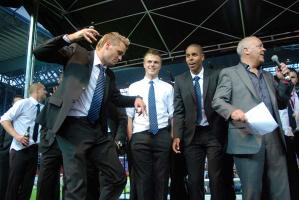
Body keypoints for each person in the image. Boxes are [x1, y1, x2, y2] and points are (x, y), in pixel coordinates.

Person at [33, 28, 146, 200]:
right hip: (70, 127)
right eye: (119, 52)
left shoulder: (108, 75)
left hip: (96, 131)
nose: (121, 57)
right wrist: (70, 37)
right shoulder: (77, 53)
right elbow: (40, 52)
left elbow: (115, 98)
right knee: (76, 188)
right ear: (107, 45)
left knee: (118, 178)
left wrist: (135, 99)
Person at [212, 36, 292, 200]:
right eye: (260, 46)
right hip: (247, 139)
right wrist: (232, 111)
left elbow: (282, 104)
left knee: (281, 192)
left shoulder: (269, 77)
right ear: (246, 50)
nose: (264, 49)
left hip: (274, 138)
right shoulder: (229, 73)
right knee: (252, 193)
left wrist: (284, 82)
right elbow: (218, 100)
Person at [172, 43, 234, 200]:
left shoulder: (216, 75)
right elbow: (178, 111)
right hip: (192, 136)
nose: (190, 59)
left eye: (194, 55)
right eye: (187, 56)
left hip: (214, 133)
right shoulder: (180, 80)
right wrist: (177, 135)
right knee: (194, 180)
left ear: (202, 57)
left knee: (216, 178)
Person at [126, 49, 174, 200]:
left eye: (156, 62)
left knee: (162, 178)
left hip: (162, 135)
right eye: (149, 61)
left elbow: (173, 116)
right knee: (142, 180)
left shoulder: (168, 87)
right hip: (139, 136)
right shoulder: (133, 87)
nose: (152, 65)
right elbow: (129, 116)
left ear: (160, 65)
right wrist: (131, 139)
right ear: (144, 64)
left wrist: (171, 137)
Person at [0, 83, 46, 200]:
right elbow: (4, 119)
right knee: (13, 186)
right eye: (44, 89)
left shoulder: (43, 108)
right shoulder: (23, 103)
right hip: (19, 149)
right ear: (37, 90)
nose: (46, 92)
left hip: (34, 150)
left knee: (27, 187)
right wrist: (17, 136)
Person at [278, 68, 299, 200]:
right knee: (291, 174)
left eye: (293, 77)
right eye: (287, 77)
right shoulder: (278, 98)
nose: (290, 79)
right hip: (285, 138)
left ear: (297, 80)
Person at [0, 94, 23, 199]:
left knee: (17, 184)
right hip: (5, 157)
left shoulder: (25, 121)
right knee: (3, 182)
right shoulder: (5, 120)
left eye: (20, 103)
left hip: (20, 155)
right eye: (16, 103)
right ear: (12, 105)